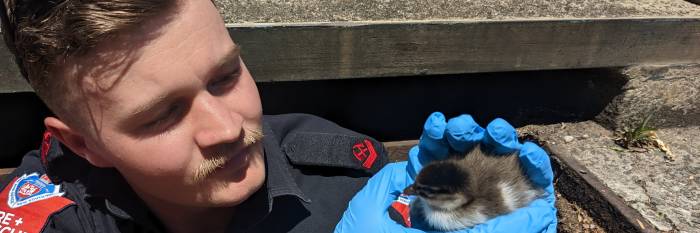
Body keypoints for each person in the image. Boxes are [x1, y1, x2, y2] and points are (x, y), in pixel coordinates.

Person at [0, 0, 556, 232]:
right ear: (84, 147)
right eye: (161, 116)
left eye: (225, 76)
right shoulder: (49, 218)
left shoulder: (343, 183)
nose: (228, 128)